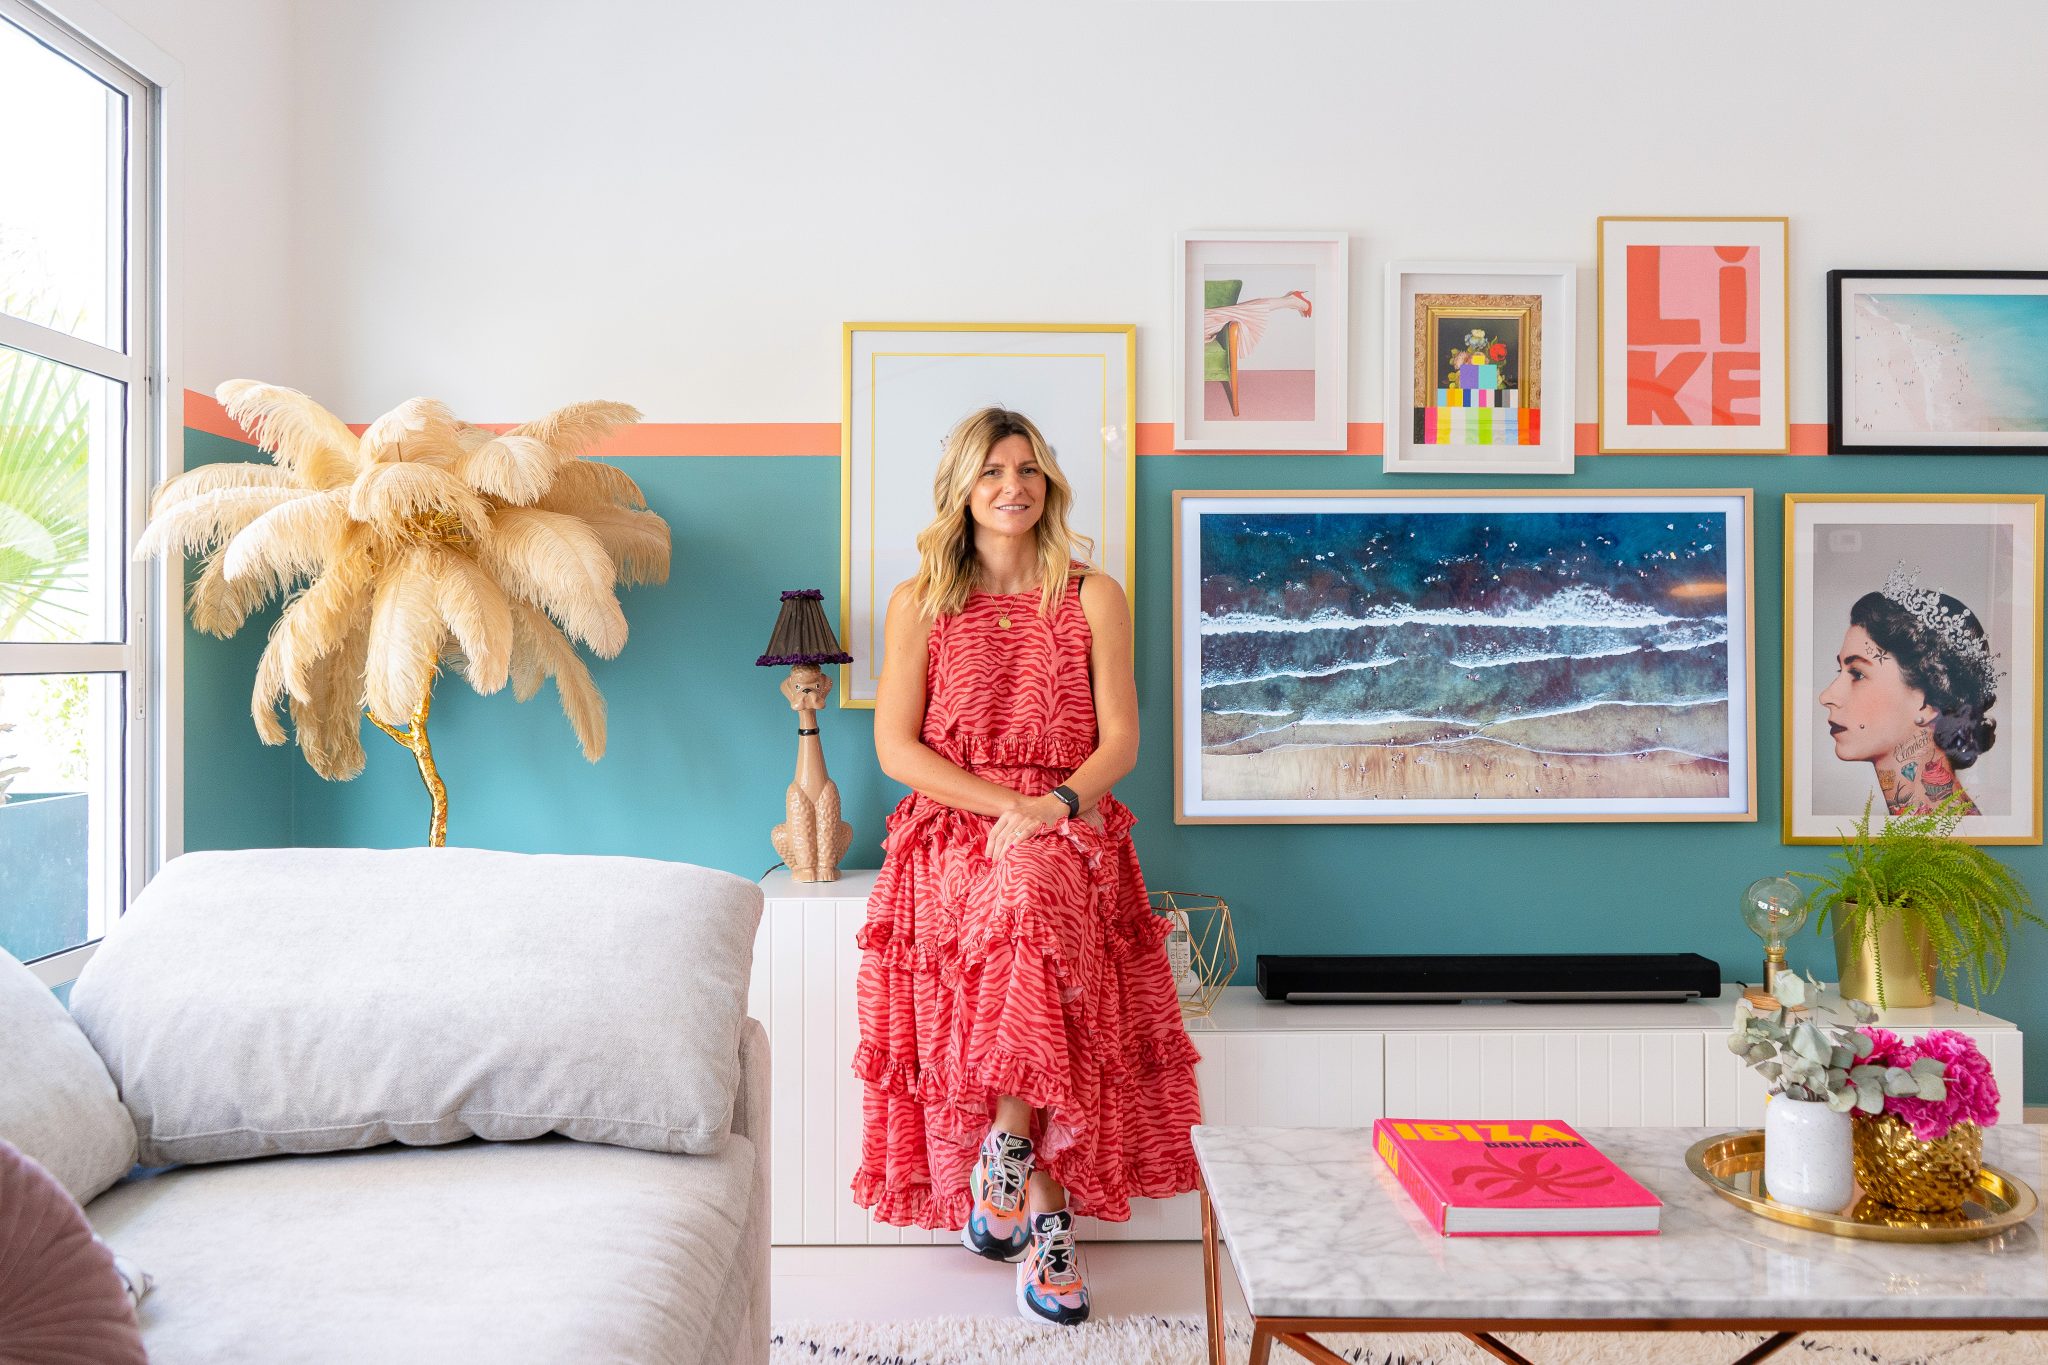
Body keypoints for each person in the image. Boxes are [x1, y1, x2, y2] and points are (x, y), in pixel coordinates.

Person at [851, 407, 1202, 1327]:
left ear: (1048, 483)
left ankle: (1007, 1150)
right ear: (963, 490)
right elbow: (896, 748)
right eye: (994, 471)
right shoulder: (919, 601)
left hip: (1066, 819)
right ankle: (1046, 1219)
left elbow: (1121, 739)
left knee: (1033, 897)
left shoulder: (1093, 595)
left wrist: (1052, 806)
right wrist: (1004, 806)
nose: (1014, 486)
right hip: (952, 828)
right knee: (1023, 914)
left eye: (1029, 469)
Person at [1818, 563, 2000, 817]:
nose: (1826, 697)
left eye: (1857, 674)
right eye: (1841, 671)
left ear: (1926, 704)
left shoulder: (1955, 834)